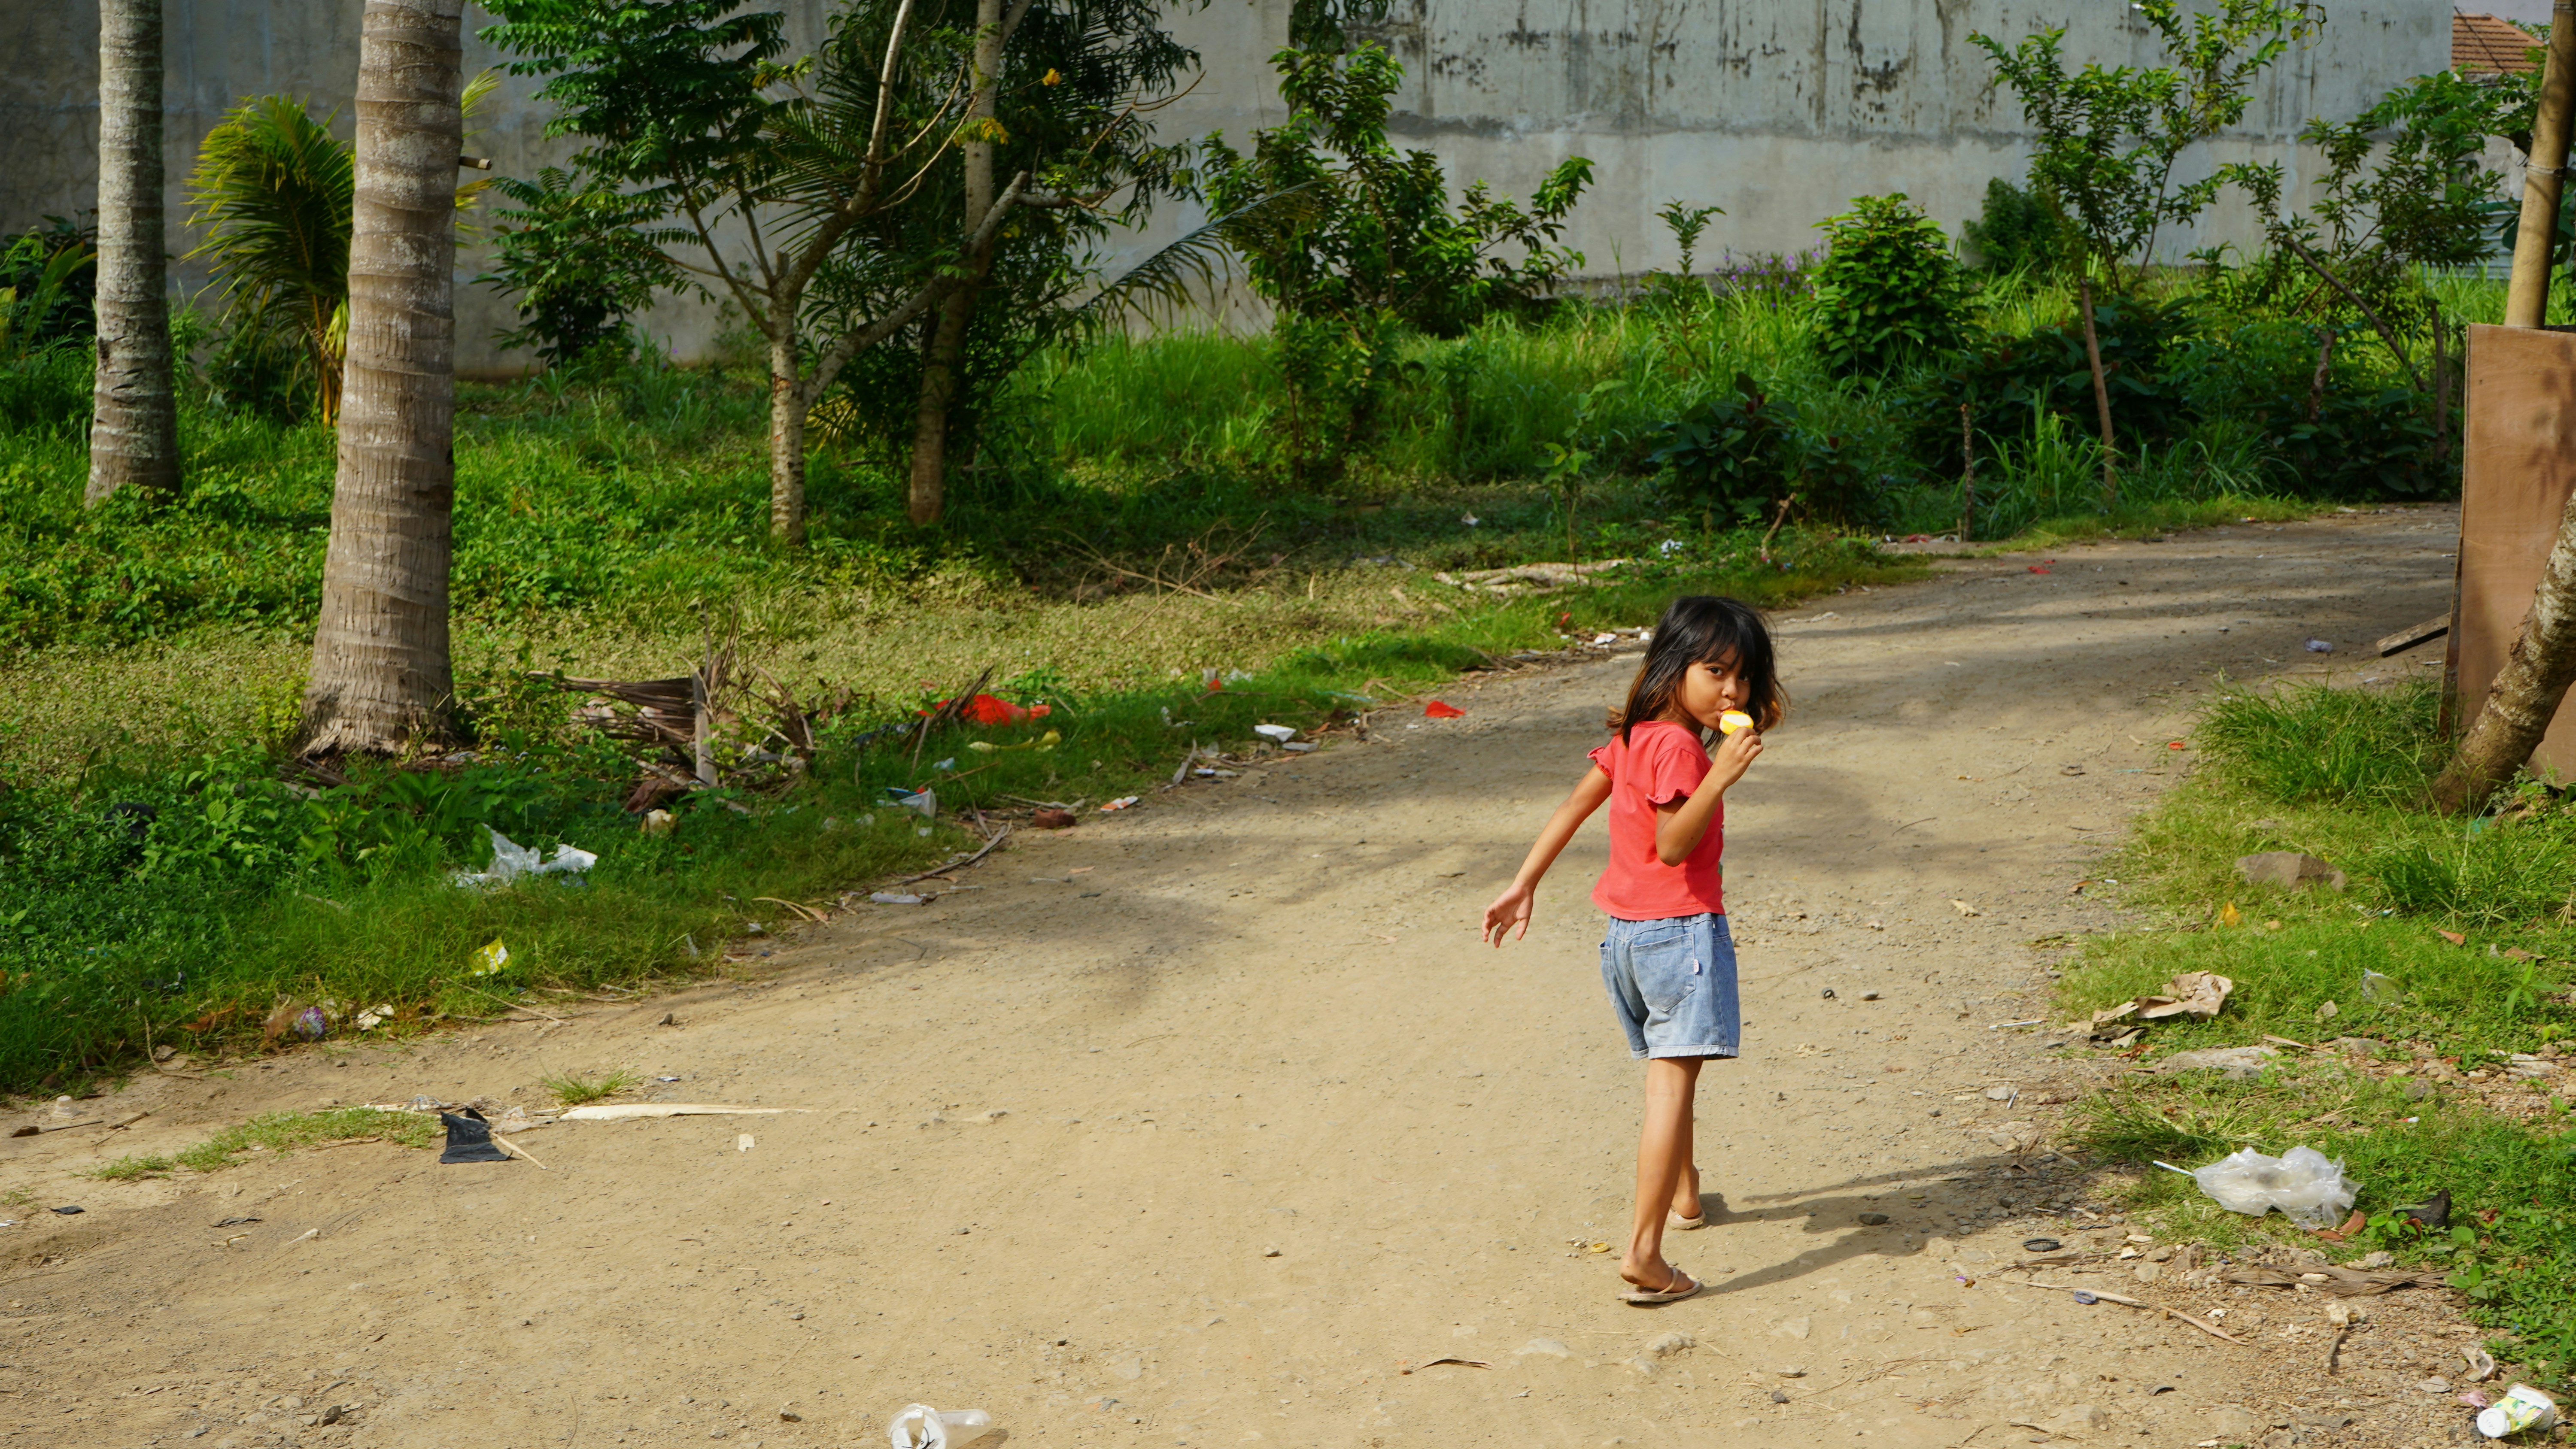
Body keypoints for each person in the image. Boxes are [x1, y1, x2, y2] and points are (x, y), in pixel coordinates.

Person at [1480, 596, 1784, 1304]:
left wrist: (1523, 884)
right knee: (1671, 1085)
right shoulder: (1680, 749)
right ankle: (1645, 1254)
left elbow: (1573, 806)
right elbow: (1673, 845)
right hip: (1679, 934)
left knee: (1673, 1074)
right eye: (1716, 672)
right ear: (1674, 667)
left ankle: (1686, 1193)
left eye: (1744, 679)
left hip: (1624, 940)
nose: (1732, 692)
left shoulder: (1637, 737)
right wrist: (1724, 774)